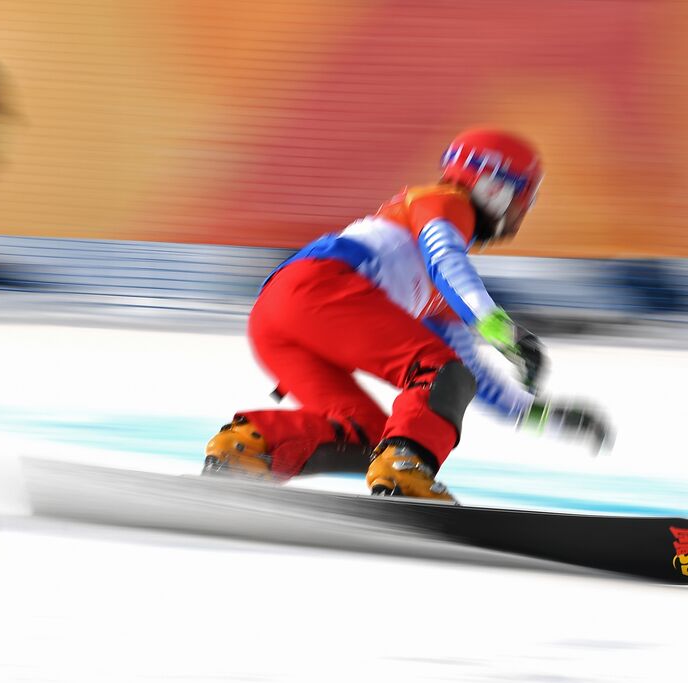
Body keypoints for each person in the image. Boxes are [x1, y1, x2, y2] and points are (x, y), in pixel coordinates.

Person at [204, 128, 609, 500]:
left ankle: (249, 447)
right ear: (494, 188)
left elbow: (470, 376)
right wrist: (505, 333)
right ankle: (405, 473)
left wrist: (544, 417)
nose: (521, 214)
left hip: (278, 312)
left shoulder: (433, 290)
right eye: (524, 199)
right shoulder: (446, 202)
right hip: (320, 290)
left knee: (372, 434)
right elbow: (446, 260)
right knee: (436, 377)